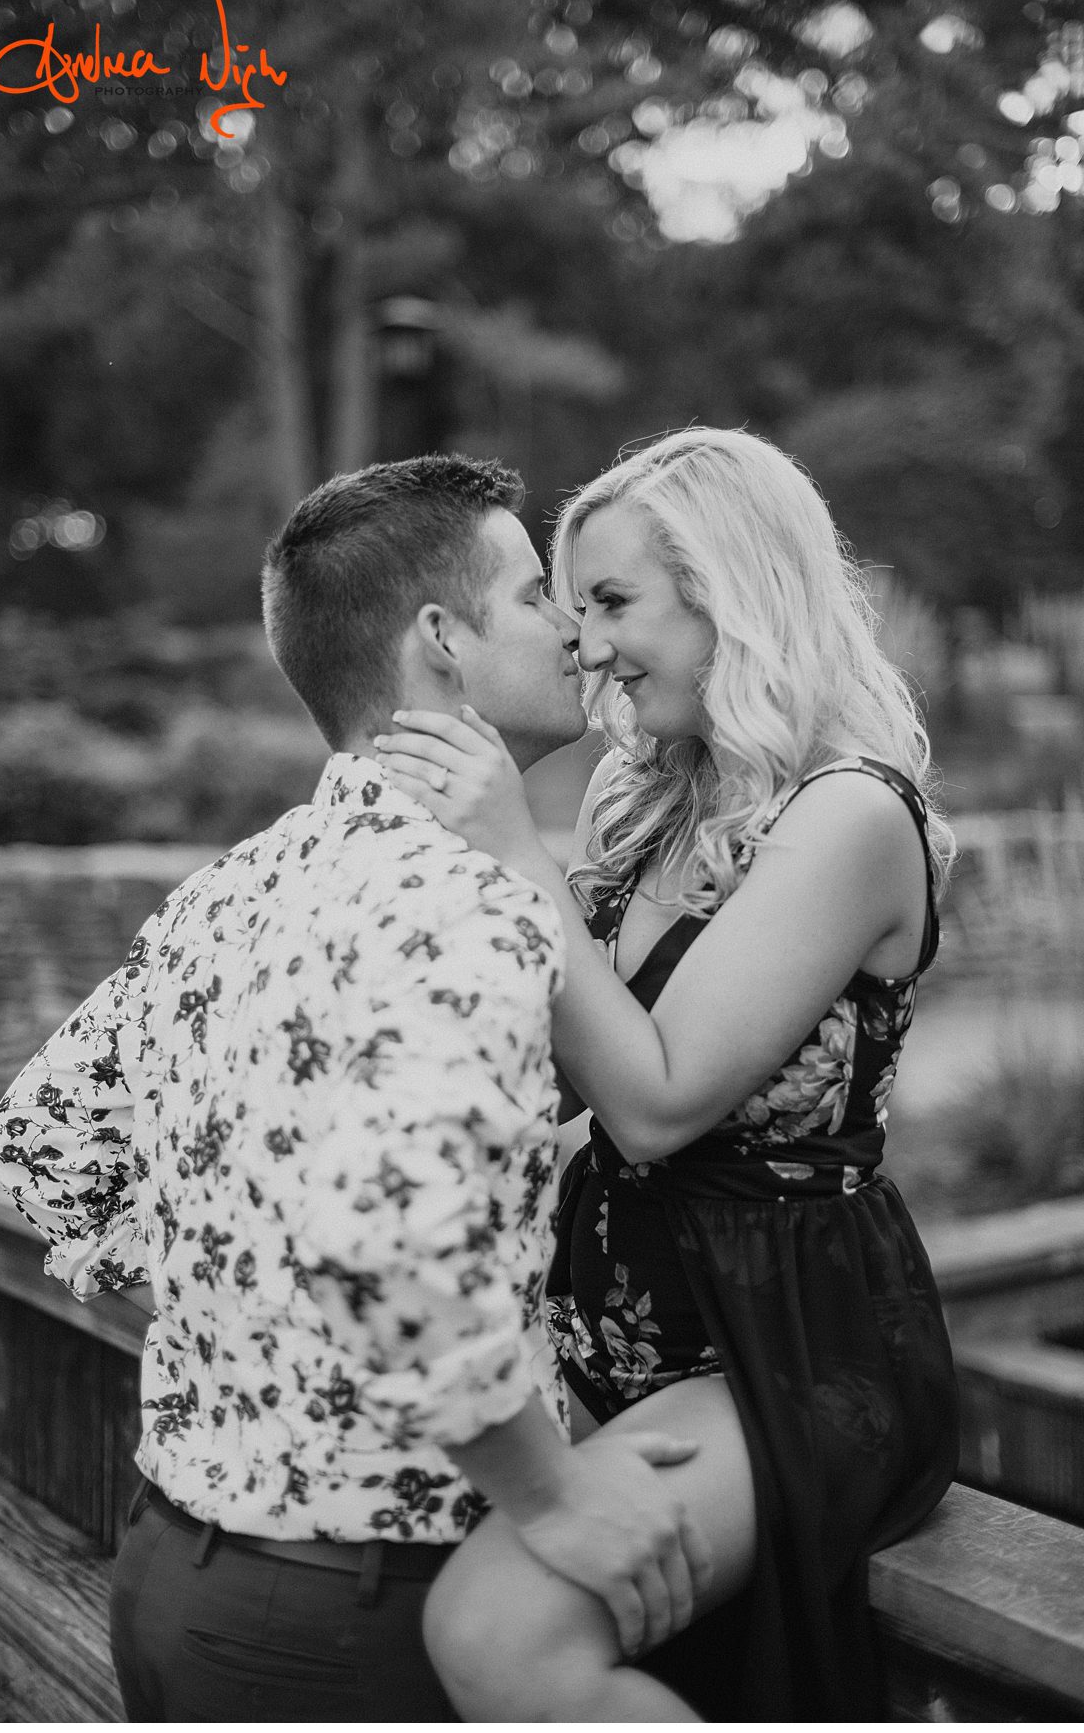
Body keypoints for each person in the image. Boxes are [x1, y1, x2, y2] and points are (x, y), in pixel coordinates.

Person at [0, 455, 713, 1721]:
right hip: (359, 1622)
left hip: (169, 1574)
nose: (576, 635)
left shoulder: (234, 889)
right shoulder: (469, 906)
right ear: (442, 640)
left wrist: (249, 1302)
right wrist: (559, 1493)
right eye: (540, 596)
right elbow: (393, 1247)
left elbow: (40, 1143)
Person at [372, 427, 960, 1721]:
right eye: (569, 606)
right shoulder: (659, 804)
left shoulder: (849, 814)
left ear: (733, 589)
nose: (583, 642)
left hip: (785, 1347)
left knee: (496, 1630)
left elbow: (654, 1098)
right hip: (620, 1339)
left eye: (613, 601)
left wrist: (512, 846)